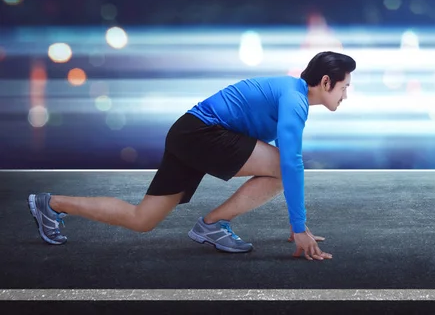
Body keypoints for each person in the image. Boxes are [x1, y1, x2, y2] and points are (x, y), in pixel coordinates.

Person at [28, 50, 356, 261]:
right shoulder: (294, 99)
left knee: (142, 219)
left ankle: (51, 204)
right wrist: (299, 226)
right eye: (344, 87)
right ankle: (213, 224)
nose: (346, 95)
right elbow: (290, 163)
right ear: (325, 82)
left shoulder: (290, 95)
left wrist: (296, 225)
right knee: (285, 168)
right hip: (201, 134)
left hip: (189, 133)